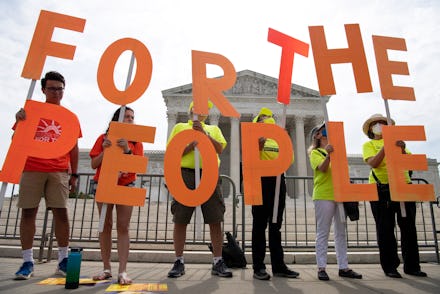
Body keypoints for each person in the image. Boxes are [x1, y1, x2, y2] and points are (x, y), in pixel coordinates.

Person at [14, 71, 81, 280]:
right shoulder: (30, 112)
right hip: (32, 167)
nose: (56, 92)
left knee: (61, 214)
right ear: (43, 90)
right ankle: (27, 261)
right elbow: (16, 138)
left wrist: (74, 174)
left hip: (58, 169)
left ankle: (63, 259)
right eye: (52, 88)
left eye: (60, 88)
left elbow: (74, 147)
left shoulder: (69, 117)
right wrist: (20, 121)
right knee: (28, 214)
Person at [167, 101, 232, 278]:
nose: (202, 111)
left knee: (215, 219)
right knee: (180, 219)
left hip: (210, 174)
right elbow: (173, 153)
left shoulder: (214, 129)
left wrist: (203, 135)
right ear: (191, 110)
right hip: (185, 174)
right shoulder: (180, 127)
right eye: (199, 108)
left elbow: (219, 148)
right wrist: (191, 145)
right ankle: (178, 260)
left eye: (205, 109)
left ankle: (218, 260)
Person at [362, 113, 427, 278]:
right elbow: (374, 163)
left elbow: (412, 164)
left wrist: (403, 149)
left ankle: (412, 266)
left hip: (404, 186)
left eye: (383, 122)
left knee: (409, 229)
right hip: (381, 188)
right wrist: (386, 148)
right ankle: (390, 266)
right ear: (370, 129)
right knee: (385, 230)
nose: (379, 125)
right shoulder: (369, 144)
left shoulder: (399, 144)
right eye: (375, 123)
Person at [89, 106, 143, 285]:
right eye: (127, 116)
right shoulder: (103, 138)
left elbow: (137, 167)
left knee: (123, 227)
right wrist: (105, 151)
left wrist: (127, 150)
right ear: (117, 119)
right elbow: (93, 164)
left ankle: (123, 271)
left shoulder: (136, 141)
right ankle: (106, 268)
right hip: (104, 183)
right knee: (105, 225)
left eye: (132, 117)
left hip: (127, 184)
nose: (130, 119)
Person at [308, 123, 362, 281]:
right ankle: (321, 267)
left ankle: (343, 267)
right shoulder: (315, 152)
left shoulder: (338, 152)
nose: (326, 132)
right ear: (317, 136)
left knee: (340, 233)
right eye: (323, 130)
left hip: (340, 194)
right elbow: (322, 169)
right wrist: (329, 155)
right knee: (323, 232)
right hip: (324, 194)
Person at [251, 107, 299, 280]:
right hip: (259, 182)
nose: (267, 121)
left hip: (278, 181)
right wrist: (258, 145)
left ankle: (279, 266)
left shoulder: (277, 141)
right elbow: (249, 160)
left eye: (269, 120)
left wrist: (285, 141)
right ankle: (258, 267)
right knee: (259, 226)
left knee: (275, 226)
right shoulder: (254, 140)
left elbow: (289, 160)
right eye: (263, 120)